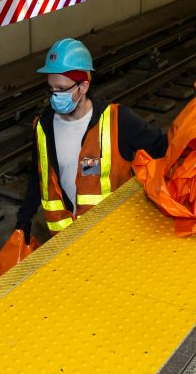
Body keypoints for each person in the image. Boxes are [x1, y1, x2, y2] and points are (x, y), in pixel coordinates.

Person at [16, 38, 168, 240]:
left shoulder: (117, 120)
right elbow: (38, 178)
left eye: (61, 89)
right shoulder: (42, 126)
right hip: (64, 240)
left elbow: (163, 147)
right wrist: (23, 222)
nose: (54, 96)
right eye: (51, 89)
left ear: (84, 86)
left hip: (113, 237)